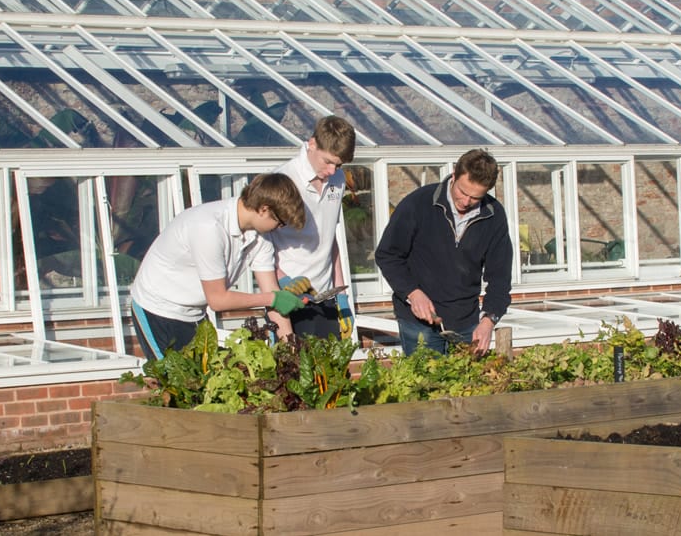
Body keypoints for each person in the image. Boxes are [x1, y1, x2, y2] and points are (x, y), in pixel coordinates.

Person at [128, 173, 311, 360]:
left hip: (194, 313)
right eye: (279, 222)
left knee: (206, 381)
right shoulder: (208, 228)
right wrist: (272, 299)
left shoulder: (261, 237)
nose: (279, 228)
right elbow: (218, 300)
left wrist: (290, 348)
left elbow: (273, 294)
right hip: (158, 308)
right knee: (172, 383)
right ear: (264, 209)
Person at [375, 149, 513, 354]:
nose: (466, 201)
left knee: (465, 385)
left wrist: (488, 320)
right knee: (424, 383)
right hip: (418, 321)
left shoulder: (494, 215)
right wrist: (412, 292)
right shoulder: (419, 203)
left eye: (475, 197)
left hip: (466, 321)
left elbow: (500, 276)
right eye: (463, 192)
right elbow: (388, 254)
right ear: (454, 175)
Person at [268, 115, 358, 340]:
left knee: (331, 372)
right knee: (294, 371)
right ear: (312, 144)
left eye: (338, 164)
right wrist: (283, 278)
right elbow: (260, 243)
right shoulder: (284, 180)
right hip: (289, 297)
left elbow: (330, 239)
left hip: (325, 296)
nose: (331, 170)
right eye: (327, 161)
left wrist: (341, 295)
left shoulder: (337, 179)